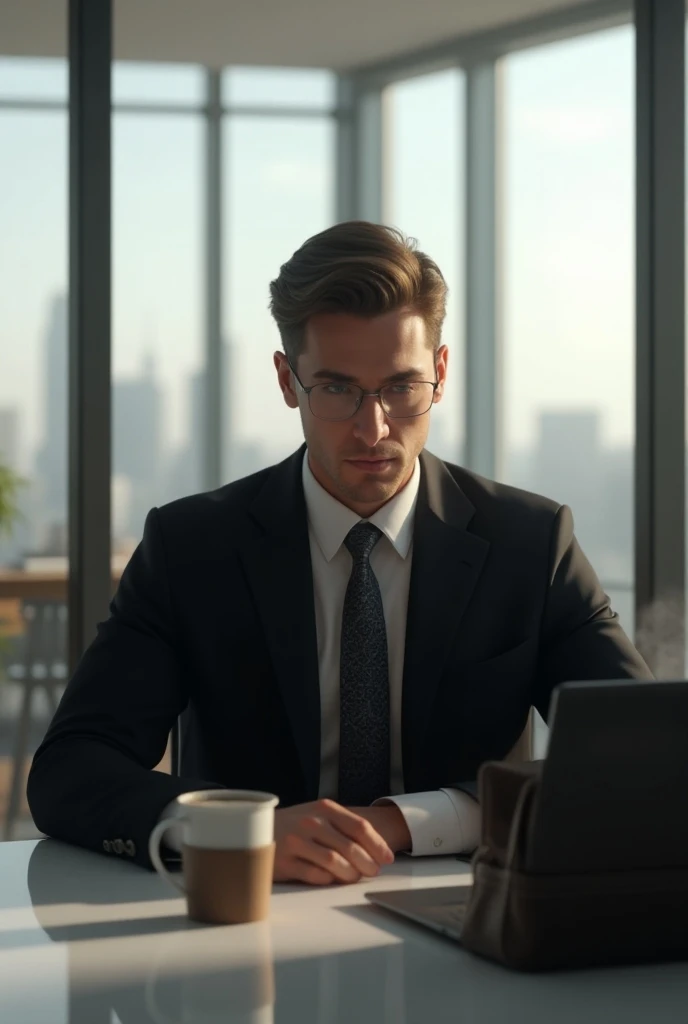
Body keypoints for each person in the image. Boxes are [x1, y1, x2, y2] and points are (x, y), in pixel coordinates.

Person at [27, 221, 652, 887]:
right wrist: (247, 830)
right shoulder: (191, 549)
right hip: (245, 924)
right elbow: (71, 770)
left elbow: (645, 761)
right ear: (287, 380)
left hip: (473, 921)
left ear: (440, 374)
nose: (373, 426)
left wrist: (415, 820)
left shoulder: (530, 545)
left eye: (401, 387)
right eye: (337, 388)